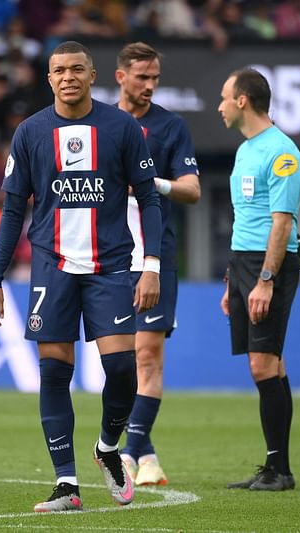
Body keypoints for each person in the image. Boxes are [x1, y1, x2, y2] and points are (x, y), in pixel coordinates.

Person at [0, 41, 162, 512]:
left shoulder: (121, 127)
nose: (68, 77)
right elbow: (11, 211)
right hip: (51, 267)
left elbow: (150, 200)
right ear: (49, 78)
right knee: (54, 374)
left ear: (92, 74)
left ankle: (107, 448)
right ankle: (67, 485)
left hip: (110, 267)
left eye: (76, 69)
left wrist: (152, 267)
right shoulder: (30, 132)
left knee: (122, 370)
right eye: (59, 70)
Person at [113, 42, 201, 486]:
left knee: (148, 356)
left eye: (155, 78)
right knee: (120, 363)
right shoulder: (99, 125)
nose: (149, 86)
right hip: (105, 258)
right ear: (120, 77)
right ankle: (146, 453)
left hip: (154, 257)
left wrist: (152, 183)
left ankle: (128, 454)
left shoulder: (170, 126)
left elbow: (192, 189)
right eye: (142, 77)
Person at [218, 68, 300, 491]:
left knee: (262, 364)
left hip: (272, 264)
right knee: (270, 363)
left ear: (242, 101)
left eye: (223, 97)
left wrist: (265, 280)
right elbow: (245, 222)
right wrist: (231, 281)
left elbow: (282, 224)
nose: (218, 106)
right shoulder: (245, 150)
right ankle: (276, 468)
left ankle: (279, 471)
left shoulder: (282, 153)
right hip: (244, 263)